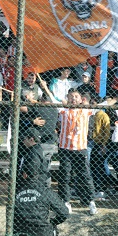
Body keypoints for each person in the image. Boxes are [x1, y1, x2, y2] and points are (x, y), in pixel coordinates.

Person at [41, 86, 97, 215]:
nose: (73, 99)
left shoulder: (86, 110)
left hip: (81, 148)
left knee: (85, 176)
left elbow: (104, 104)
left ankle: (90, 201)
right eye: (71, 97)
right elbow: (52, 98)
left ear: (81, 99)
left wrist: (116, 98)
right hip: (65, 148)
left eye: (75, 96)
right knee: (65, 176)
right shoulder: (63, 111)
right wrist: (45, 87)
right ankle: (66, 202)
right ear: (67, 98)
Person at [13, 145, 69, 236]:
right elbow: (64, 213)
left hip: (21, 233)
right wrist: (53, 222)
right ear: (38, 174)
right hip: (43, 233)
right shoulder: (45, 191)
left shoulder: (16, 193)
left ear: (25, 175)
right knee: (52, 229)